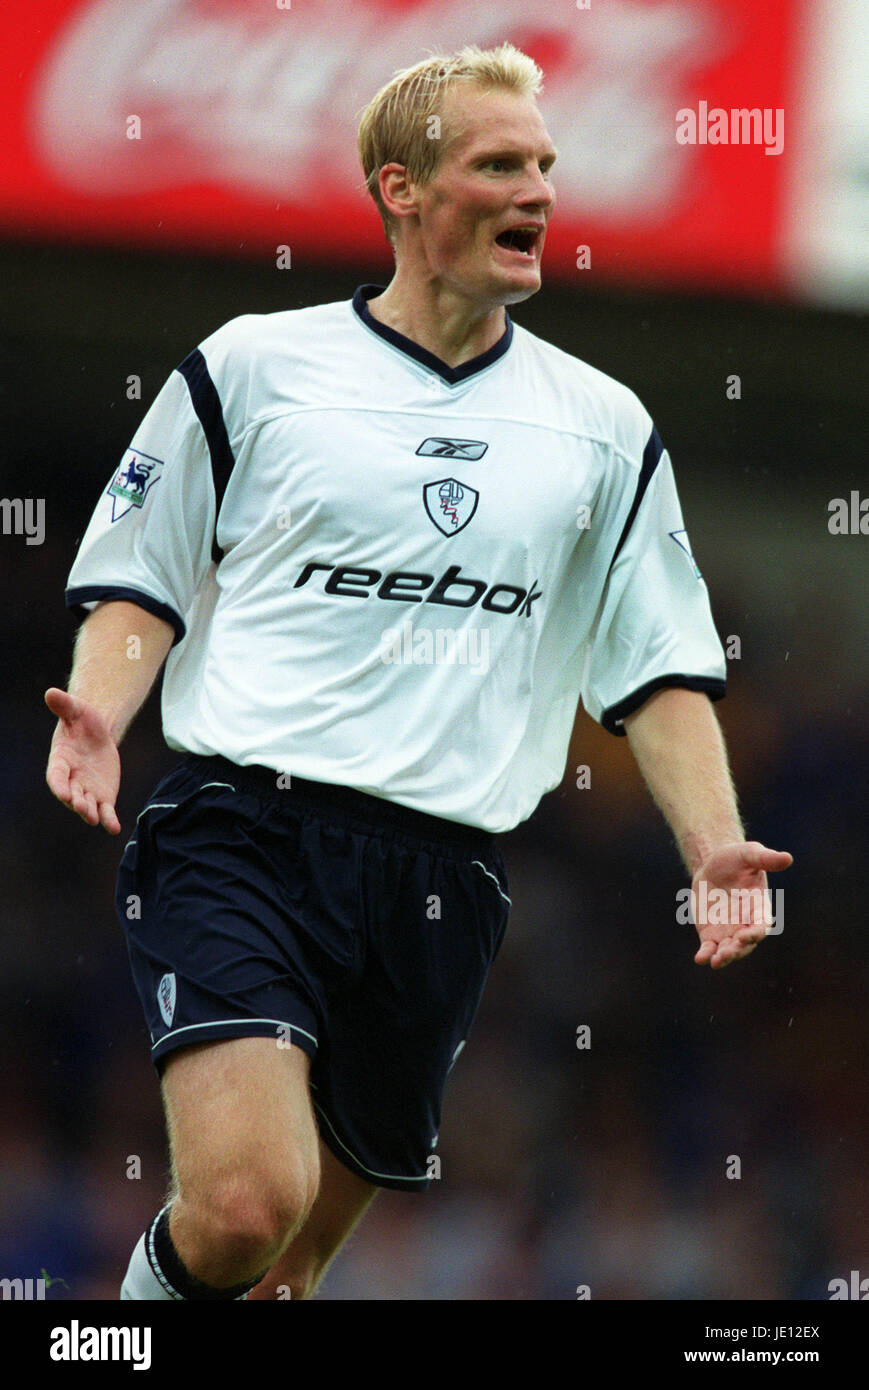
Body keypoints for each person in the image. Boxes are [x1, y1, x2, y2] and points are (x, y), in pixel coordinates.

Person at [45, 43, 792, 1301]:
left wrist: (712, 843)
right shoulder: (253, 367)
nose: (538, 192)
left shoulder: (600, 426)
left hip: (441, 884)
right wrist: (102, 714)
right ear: (400, 188)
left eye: (545, 166)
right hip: (244, 832)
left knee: (280, 1276)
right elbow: (140, 578)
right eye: (499, 164)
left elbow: (659, 664)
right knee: (241, 1205)